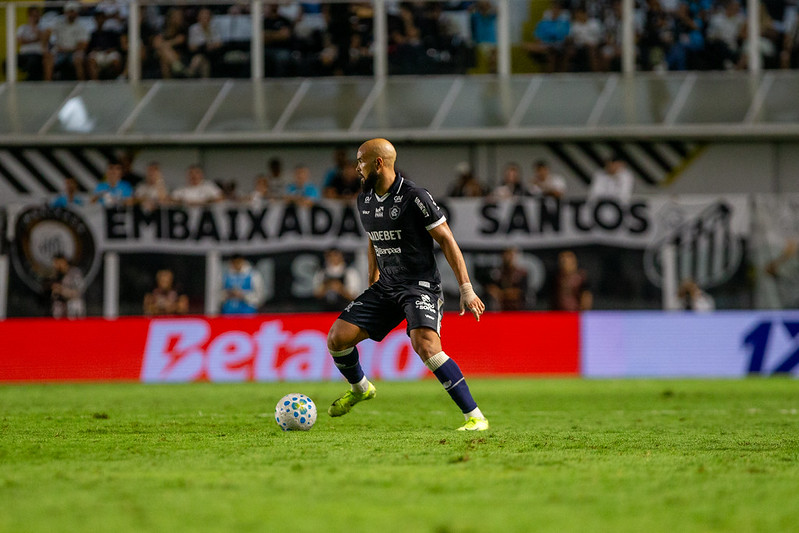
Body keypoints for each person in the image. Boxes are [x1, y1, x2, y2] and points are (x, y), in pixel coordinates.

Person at [325, 138, 489, 432]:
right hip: (386, 287)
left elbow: (447, 240)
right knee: (337, 338)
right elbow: (373, 239)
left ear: (379, 163)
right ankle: (361, 388)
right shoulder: (364, 199)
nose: (356, 168)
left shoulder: (415, 196)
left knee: (425, 346)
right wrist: (371, 278)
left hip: (419, 286)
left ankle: (475, 416)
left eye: (360, 162)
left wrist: (466, 288)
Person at [50, 2, 90, 81]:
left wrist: (67, 49)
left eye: (73, 11)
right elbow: (52, 39)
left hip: (74, 52)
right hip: (59, 51)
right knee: (48, 57)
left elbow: (83, 45)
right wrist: (58, 47)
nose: (71, 14)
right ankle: (47, 84)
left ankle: (81, 84)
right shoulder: (58, 23)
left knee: (78, 58)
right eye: (69, 11)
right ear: (65, 12)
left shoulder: (82, 26)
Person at [16, 6, 50, 81]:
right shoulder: (22, 28)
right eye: (33, 16)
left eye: (37, 16)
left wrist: (34, 28)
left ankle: (29, 80)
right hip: (24, 54)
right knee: (8, 62)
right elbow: (20, 41)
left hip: (37, 54)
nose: (35, 18)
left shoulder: (44, 27)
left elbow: (44, 39)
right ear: (29, 16)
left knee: (33, 61)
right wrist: (35, 39)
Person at [49, 254, 86, 319]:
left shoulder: (74, 273)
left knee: (74, 304)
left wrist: (62, 290)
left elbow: (78, 292)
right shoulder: (56, 275)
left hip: (73, 309)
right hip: (60, 309)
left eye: (57, 262)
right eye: (55, 263)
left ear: (64, 261)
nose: (55, 265)